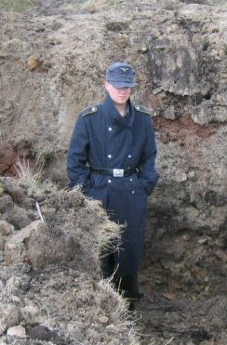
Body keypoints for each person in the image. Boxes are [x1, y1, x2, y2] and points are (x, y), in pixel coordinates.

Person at [67, 62, 159, 303]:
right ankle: (102, 305)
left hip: (131, 192)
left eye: (127, 86)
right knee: (101, 250)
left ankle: (128, 303)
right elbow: (75, 161)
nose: (122, 91)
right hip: (100, 191)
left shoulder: (142, 119)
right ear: (107, 85)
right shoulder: (90, 118)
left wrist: (144, 186)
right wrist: (86, 191)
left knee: (129, 250)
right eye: (117, 85)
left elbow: (149, 157)